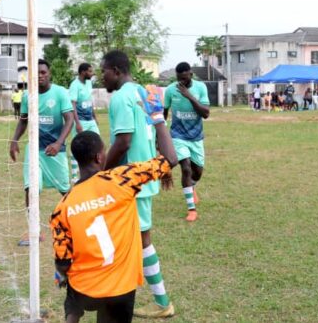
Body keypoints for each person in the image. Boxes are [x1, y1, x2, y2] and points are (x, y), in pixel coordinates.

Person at [50, 95, 178, 323]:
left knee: (72, 293)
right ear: (100, 157)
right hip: (120, 288)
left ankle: (72, 314)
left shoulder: (63, 206)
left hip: (85, 290)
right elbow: (169, 159)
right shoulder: (123, 179)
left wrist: (61, 274)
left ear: (77, 161)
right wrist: (158, 118)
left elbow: (63, 261)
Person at [100, 50, 175, 318]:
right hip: (144, 176)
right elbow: (153, 131)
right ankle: (157, 300)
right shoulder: (143, 93)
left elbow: (124, 142)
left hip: (130, 181)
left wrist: (101, 176)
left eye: (104, 71)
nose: (102, 77)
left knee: (132, 241)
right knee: (135, 239)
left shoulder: (121, 97)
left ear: (116, 71)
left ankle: (159, 302)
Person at [10, 59, 75, 246]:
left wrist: (58, 142)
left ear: (49, 74)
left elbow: (69, 119)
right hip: (34, 151)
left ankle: (76, 225)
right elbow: (23, 120)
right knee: (30, 189)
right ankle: (33, 232)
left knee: (65, 190)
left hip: (55, 151)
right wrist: (14, 140)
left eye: (43, 72)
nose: (40, 76)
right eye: (36, 73)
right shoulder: (26, 96)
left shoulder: (60, 93)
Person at [163, 62, 210, 222]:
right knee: (186, 168)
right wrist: (160, 135)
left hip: (196, 136)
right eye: (179, 79)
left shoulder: (200, 88)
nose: (182, 82)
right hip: (178, 135)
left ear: (191, 74)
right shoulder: (170, 90)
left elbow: (206, 114)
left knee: (198, 172)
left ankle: (191, 187)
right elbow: (164, 111)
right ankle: (192, 209)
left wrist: (188, 95)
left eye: (185, 78)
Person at [69, 63, 100, 183]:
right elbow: (73, 105)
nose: (92, 74)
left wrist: (94, 116)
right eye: (90, 71)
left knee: (98, 142)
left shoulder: (88, 83)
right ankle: (74, 175)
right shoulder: (74, 85)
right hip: (80, 121)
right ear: (83, 72)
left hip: (90, 120)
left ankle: (96, 171)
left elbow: (89, 100)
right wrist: (77, 123)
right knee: (77, 145)